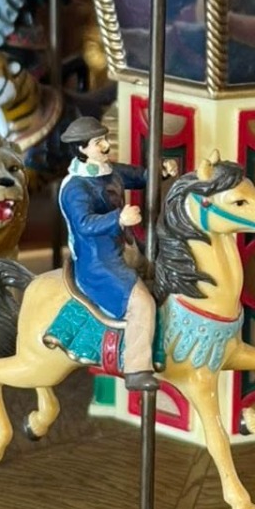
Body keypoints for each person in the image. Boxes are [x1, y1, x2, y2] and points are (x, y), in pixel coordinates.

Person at [56, 116, 159, 392]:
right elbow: (84, 224)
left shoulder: (108, 170)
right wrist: (119, 218)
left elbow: (140, 176)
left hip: (125, 248)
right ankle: (136, 368)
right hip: (98, 262)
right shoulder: (75, 187)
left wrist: (160, 170)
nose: (105, 145)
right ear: (81, 149)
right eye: (97, 142)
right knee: (141, 303)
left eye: (104, 139)